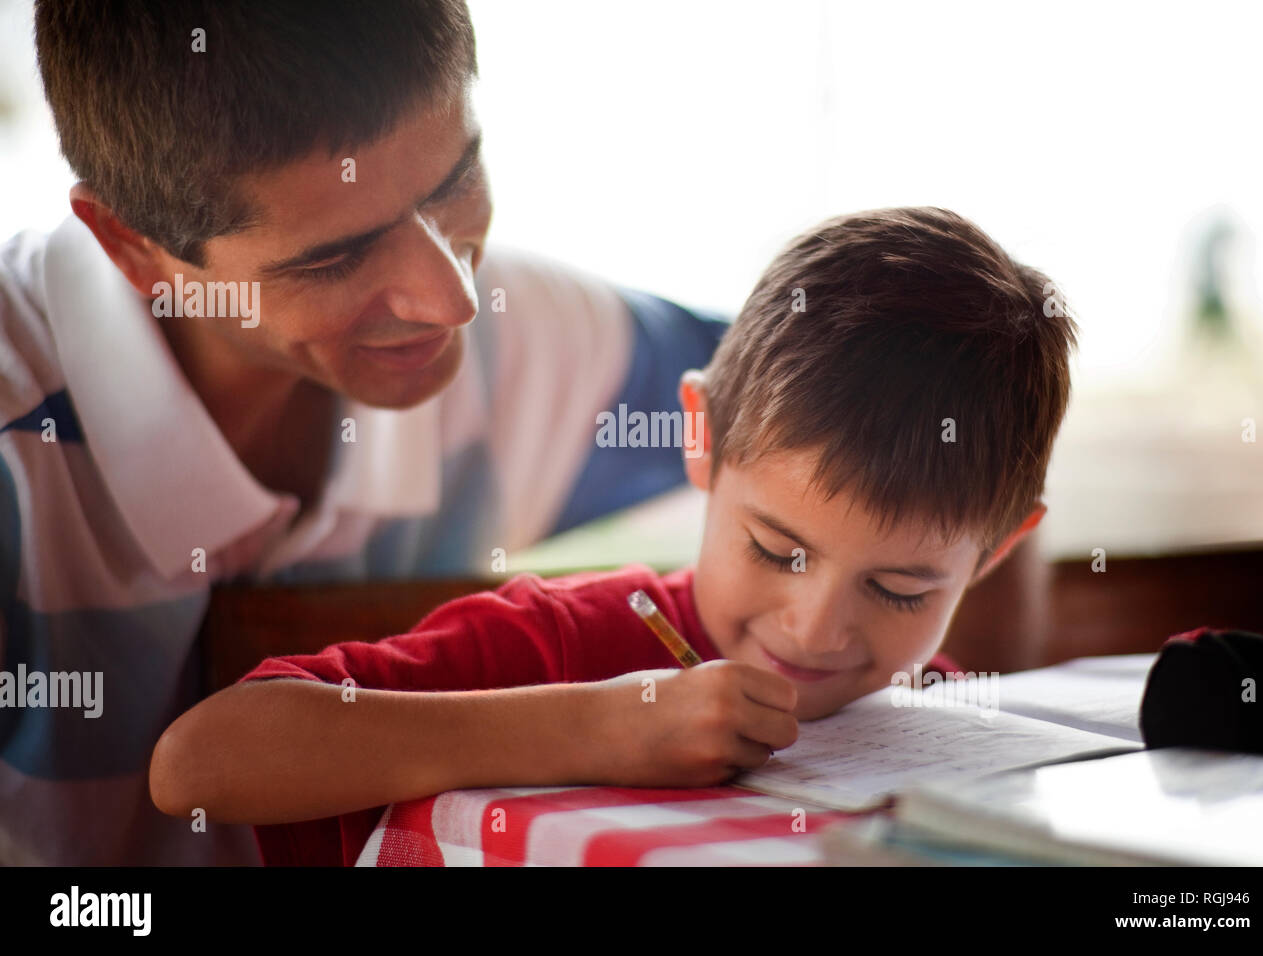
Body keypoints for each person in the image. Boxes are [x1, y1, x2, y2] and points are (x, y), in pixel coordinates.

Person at [0, 1, 726, 865]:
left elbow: (824, 379)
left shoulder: (525, 342)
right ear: (135, 247)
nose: (451, 300)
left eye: (456, 179)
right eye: (334, 260)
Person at [150, 207, 1079, 865]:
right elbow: (201, 763)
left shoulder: (945, 725)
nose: (816, 629)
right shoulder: (561, 644)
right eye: (775, 549)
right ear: (701, 438)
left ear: (995, 552)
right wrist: (597, 724)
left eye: (900, 590)